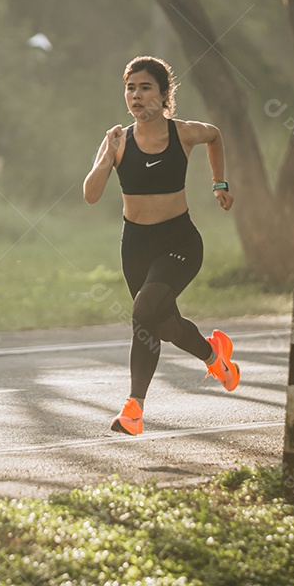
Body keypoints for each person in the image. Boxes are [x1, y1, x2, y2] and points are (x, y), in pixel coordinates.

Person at [83, 56, 239, 437]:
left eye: (145, 87)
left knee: (143, 313)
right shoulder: (118, 141)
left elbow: (215, 135)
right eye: (130, 87)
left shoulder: (183, 133)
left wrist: (219, 183)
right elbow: (90, 194)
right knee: (163, 323)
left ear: (164, 94)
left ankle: (134, 409)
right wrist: (107, 156)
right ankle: (214, 356)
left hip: (179, 242)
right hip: (135, 247)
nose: (136, 95)